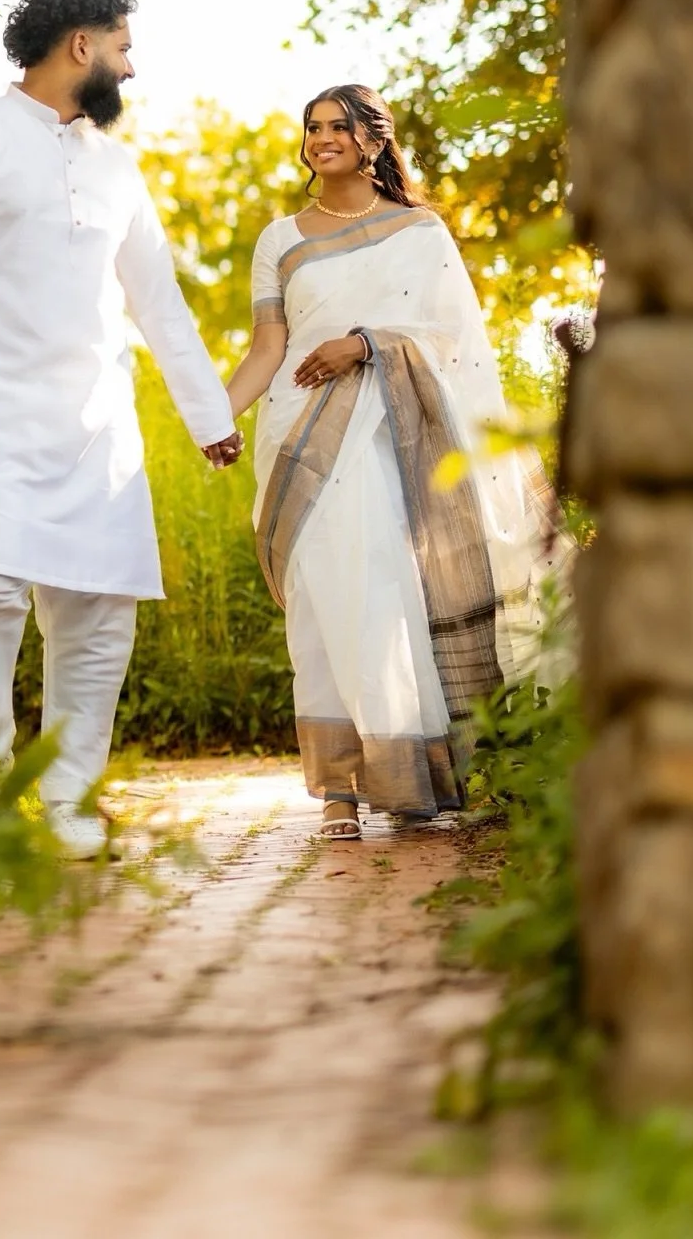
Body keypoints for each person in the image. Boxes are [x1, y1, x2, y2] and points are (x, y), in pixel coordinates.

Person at [0, 0, 241, 860]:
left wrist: (208, 413)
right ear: (81, 46)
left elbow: (159, 303)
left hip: (95, 432)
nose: (131, 67)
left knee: (99, 614)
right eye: (123, 46)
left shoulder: (116, 168)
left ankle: (72, 800)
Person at [224, 85, 558, 840]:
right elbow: (267, 349)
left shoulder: (420, 231)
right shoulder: (282, 237)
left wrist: (367, 344)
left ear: (373, 140)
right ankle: (338, 787)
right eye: (312, 128)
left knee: (379, 588)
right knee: (319, 596)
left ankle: (411, 770)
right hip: (298, 434)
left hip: (390, 430)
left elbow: (450, 340)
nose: (322, 139)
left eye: (339, 127)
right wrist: (216, 417)